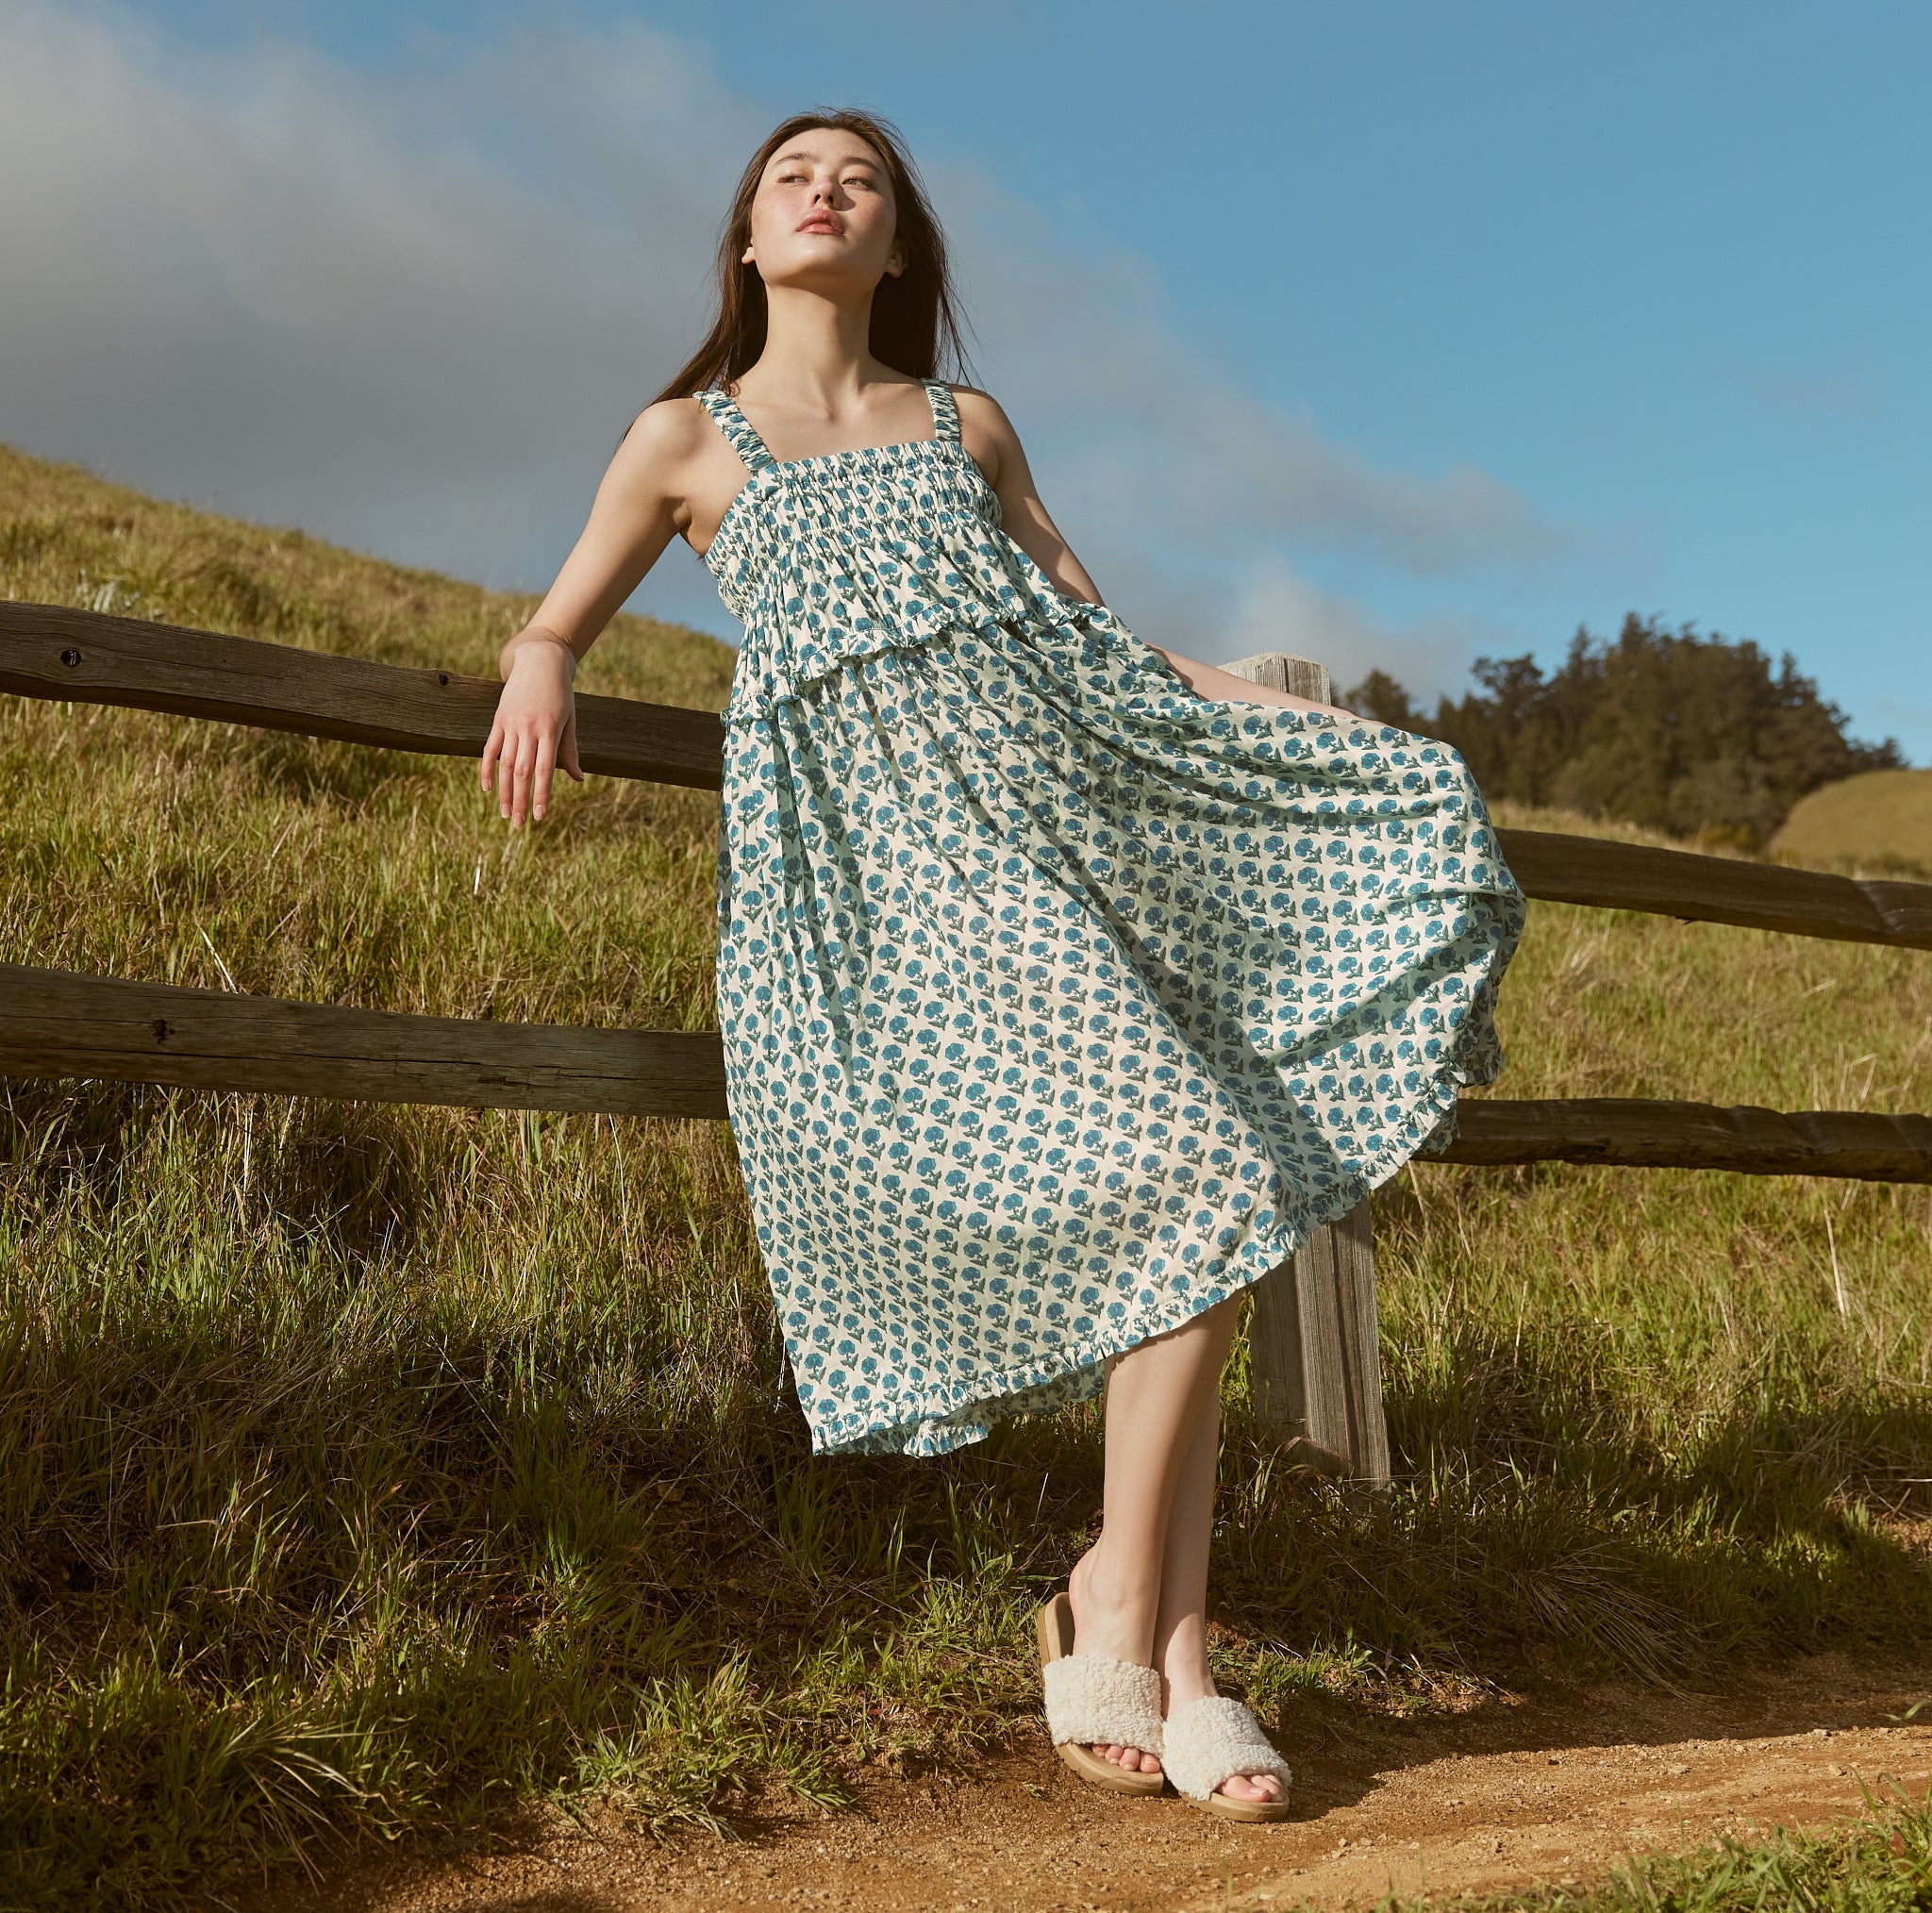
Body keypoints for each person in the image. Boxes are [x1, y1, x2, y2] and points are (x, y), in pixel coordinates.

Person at [481, 108, 1524, 1821]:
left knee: (1212, 1172)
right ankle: (1157, 1630)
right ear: (749, 243)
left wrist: (1277, 711)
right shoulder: (685, 437)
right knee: (1199, 1178)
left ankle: (1148, 1629)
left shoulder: (965, 425)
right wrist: (539, 661)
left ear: (901, 249)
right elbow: (562, 609)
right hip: (879, 902)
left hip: (1062, 858)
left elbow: (1089, 638)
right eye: (793, 179)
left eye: (862, 181)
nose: (826, 193)